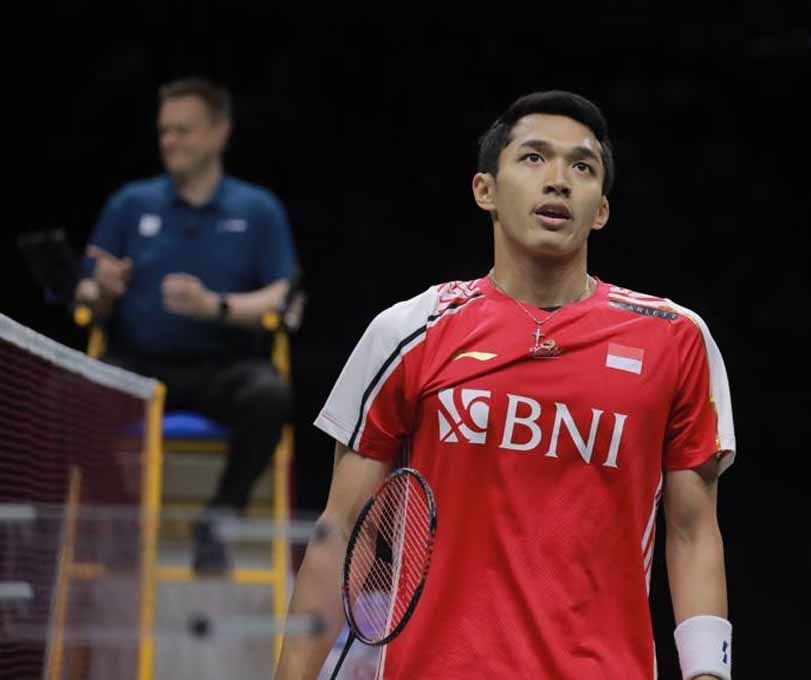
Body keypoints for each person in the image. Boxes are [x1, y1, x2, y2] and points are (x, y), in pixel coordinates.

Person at [275, 91, 735, 679]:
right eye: (534, 158)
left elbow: (693, 535)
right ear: (484, 190)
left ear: (601, 211)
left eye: (582, 166)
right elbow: (341, 533)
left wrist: (708, 675)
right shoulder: (410, 332)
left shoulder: (675, 340)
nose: (560, 181)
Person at [75, 77, 299, 573]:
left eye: (184, 130)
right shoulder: (130, 205)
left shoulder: (257, 210)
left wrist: (212, 306)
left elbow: (284, 299)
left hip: (224, 369)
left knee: (271, 397)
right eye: (164, 132)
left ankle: (218, 521)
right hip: (138, 370)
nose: (170, 142)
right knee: (66, 397)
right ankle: (122, 522)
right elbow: (88, 294)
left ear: (220, 132)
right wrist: (102, 289)